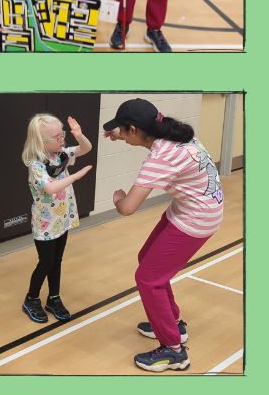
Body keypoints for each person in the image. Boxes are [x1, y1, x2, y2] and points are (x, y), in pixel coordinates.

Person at [103, 98, 224, 372]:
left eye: (121, 130)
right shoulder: (179, 134)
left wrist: (118, 199)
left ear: (133, 129)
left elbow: (128, 208)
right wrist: (120, 133)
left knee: (147, 279)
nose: (118, 135)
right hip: (191, 208)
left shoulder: (161, 157)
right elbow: (140, 136)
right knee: (146, 259)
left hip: (197, 218)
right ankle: (173, 322)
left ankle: (174, 350)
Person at [21, 113, 93, 323]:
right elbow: (51, 188)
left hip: (61, 220)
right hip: (45, 225)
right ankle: (31, 298)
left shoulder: (60, 154)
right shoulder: (36, 166)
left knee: (56, 262)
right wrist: (75, 176)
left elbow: (85, 148)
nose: (62, 139)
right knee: (45, 263)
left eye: (62, 134)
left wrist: (79, 136)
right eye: (56, 137)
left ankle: (54, 298)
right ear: (41, 142)